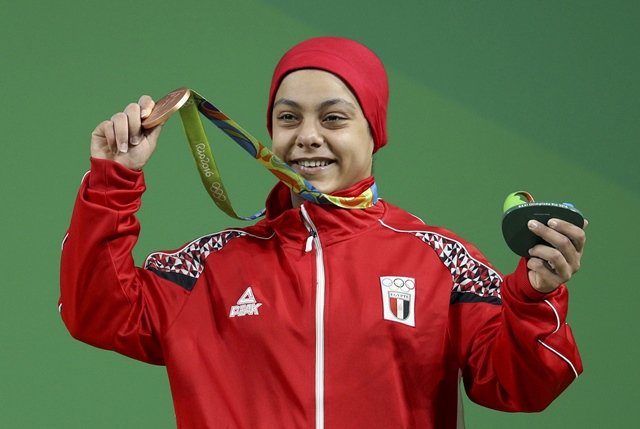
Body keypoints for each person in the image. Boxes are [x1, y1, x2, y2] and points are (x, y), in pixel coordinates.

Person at [59, 36, 587, 428]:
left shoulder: (439, 261)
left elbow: (521, 385)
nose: (307, 136)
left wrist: (534, 298)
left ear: (373, 132)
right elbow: (95, 309)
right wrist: (114, 178)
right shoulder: (207, 268)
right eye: (288, 118)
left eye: (334, 119)